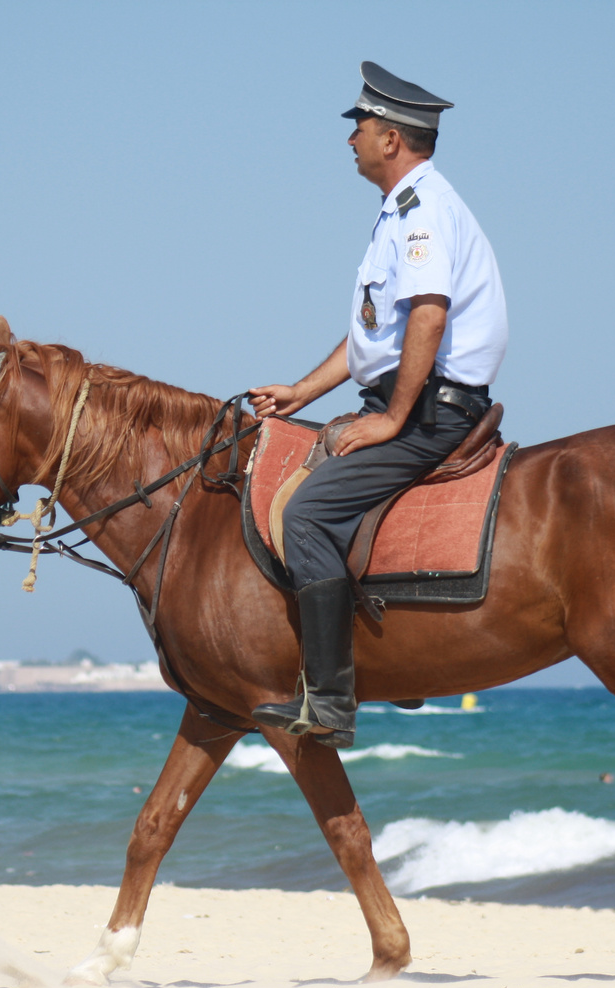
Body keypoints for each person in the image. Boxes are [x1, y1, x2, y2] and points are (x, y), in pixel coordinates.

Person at [247, 62, 508, 749]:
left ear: (390, 138)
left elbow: (427, 314)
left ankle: (330, 704)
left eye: (359, 127)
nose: (351, 139)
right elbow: (376, 333)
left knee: (306, 514)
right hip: (408, 396)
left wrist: (392, 418)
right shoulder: (401, 209)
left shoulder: (423, 212)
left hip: (427, 410)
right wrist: (303, 392)